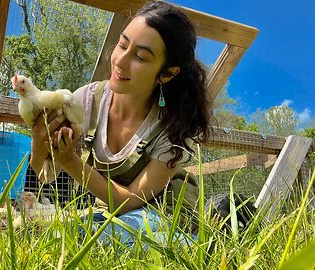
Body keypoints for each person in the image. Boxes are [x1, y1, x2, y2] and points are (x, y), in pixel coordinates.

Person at [30, 0, 211, 247]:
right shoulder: (86, 101)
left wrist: (69, 160)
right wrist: (39, 139)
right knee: (56, 236)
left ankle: (192, 242)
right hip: (109, 215)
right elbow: (45, 176)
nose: (120, 61)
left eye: (140, 56)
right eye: (122, 45)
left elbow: (129, 200)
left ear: (167, 73)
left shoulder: (175, 125)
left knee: (105, 237)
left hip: (163, 214)